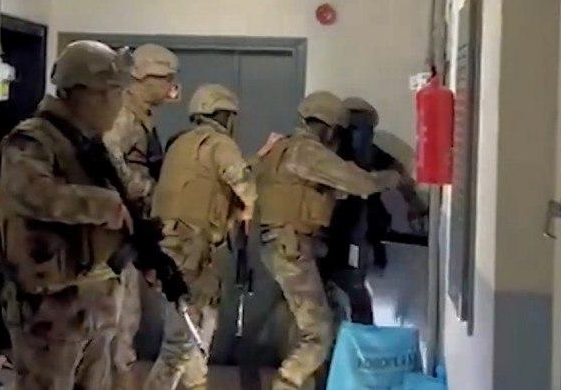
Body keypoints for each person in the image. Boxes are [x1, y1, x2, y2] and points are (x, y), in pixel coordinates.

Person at [0, 40, 137, 390]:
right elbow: (37, 195)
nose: (119, 103)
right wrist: (105, 206)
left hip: (95, 305)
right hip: (49, 310)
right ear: (83, 94)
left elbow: (128, 192)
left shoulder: (93, 144)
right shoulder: (32, 141)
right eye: (113, 92)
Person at [253, 91, 401, 390]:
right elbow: (360, 183)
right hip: (292, 247)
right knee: (319, 332)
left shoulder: (279, 148)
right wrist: (393, 178)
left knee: (308, 324)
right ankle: (287, 383)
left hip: (283, 244)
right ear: (332, 129)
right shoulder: (308, 151)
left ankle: (300, 380)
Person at [144, 83, 258, 390]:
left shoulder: (179, 142)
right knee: (181, 342)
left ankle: (197, 385)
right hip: (191, 249)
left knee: (198, 332)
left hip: (174, 247)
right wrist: (247, 206)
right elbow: (245, 185)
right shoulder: (220, 143)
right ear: (224, 115)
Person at [103, 43, 180, 386]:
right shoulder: (124, 115)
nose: (170, 87)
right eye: (165, 79)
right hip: (115, 226)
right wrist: (145, 188)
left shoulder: (140, 116)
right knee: (122, 315)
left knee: (128, 313)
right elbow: (108, 161)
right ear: (142, 78)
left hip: (131, 225)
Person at [321, 96, 419, 325]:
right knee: (350, 287)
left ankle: (353, 336)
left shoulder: (334, 152)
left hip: (347, 228)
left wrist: (415, 205)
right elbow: (399, 177)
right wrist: (415, 205)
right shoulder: (335, 154)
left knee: (347, 287)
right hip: (346, 230)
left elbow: (398, 176)